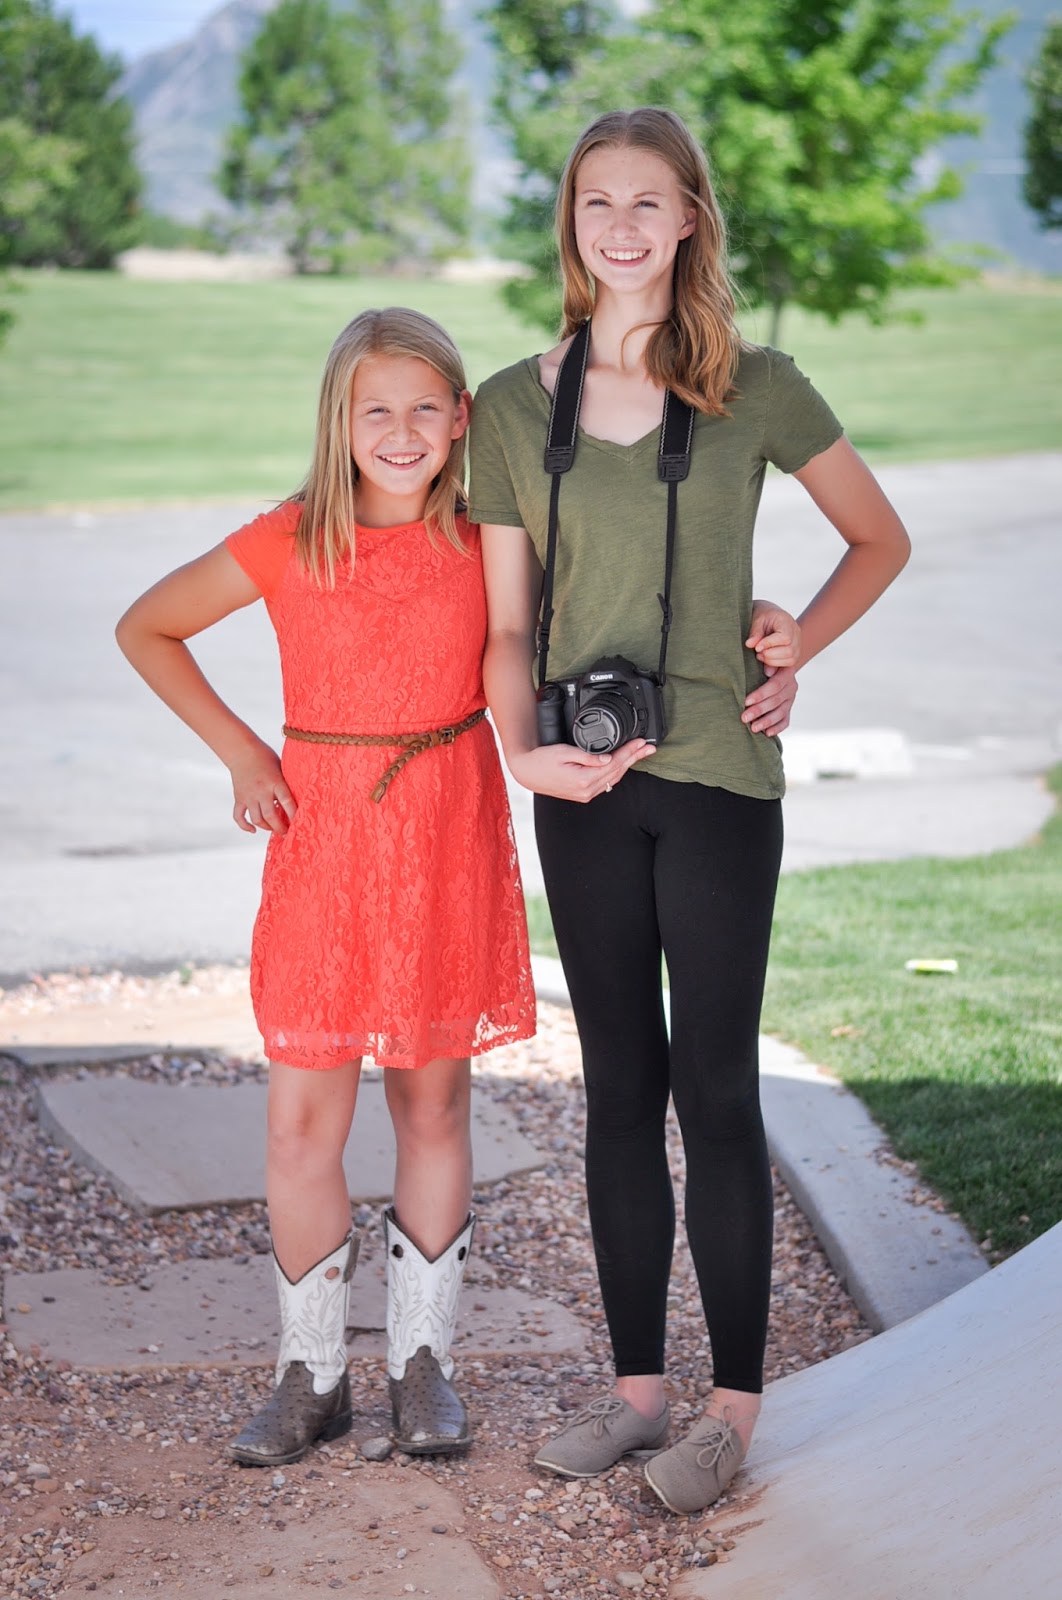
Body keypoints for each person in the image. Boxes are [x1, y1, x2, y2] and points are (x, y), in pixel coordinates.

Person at [470, 107, 911, 1515]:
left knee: (716, 1090)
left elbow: (878, 537)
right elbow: (504, 629)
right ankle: (635, 1395)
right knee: (618, 1091)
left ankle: (730, 1413)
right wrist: (521, 754)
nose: (620, 226)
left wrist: (798, 639)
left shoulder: (756, 386)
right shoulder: (509, 405)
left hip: (719, 778)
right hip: (581, 788)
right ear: (570, 222)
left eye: (647, 202)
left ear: (689, 220)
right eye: (596, 201)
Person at [116, 307, 537, 1468]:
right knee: (302, 1121)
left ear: (462, 417)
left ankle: (422, 1366)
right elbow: (148, 628)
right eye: (375, 411)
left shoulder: (490, 541)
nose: (402, 433)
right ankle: (312, 1376)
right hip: (325, 851)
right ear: (338, 422)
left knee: (432, 1109)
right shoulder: (290, 538)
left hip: (445, 842)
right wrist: (244, 753)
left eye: (425, 408)